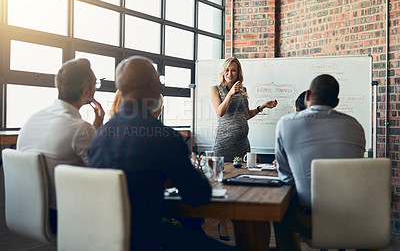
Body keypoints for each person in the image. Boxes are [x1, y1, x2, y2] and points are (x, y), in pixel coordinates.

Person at [88, 56, 234, 251]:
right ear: (153, 86)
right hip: (147, 239)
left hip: (100, 239)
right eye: (159, 82)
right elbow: (198, 196)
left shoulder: (99, 136)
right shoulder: (164, 137)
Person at [273, 74, 366, 251]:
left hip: (309, 220)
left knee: (280, 215)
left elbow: (286, 179)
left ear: (307, 95)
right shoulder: (355, 126)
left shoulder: (286, 124)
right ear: (336, 102)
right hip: (351, 219)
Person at [17, 58, 105, 234]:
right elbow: (104, 174)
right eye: (96, 85)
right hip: (64, 218)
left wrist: (94, 129)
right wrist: (98, 131)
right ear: (86, 92)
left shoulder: (33, 119)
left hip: (28, 211)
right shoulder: (80, 128)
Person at [209, 57, 278, 240]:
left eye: (234, 71)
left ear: (239, 72)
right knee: (223, 183)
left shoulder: (243, 91)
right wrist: (230, 93)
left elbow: (245, 115)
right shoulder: (216, 90)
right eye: (228, 71)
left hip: (242, 143)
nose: (230, 74)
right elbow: (220, 112)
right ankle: (222, 224)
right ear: (223, 72)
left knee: (242, 181)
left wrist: (262, 107)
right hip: (224, 143)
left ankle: (241, 221)